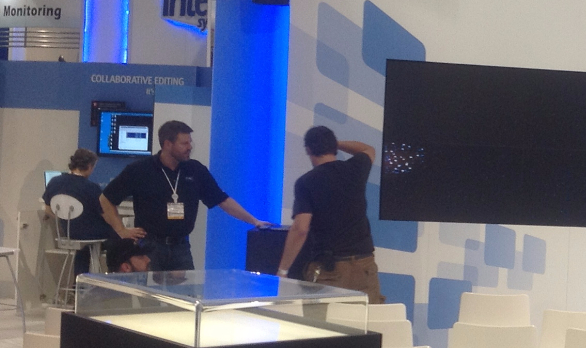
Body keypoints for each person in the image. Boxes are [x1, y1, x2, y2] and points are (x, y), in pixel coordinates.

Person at [102, 120, 268, 271]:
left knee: (186, 292)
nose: (189, 147)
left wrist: (254, 221)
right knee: (150, 292)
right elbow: (105, 199)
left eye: (190, 142)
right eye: (184, 143)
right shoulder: (140, 170)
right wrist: (121, 230)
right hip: (150, 247)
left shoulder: (195, 170)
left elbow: (222, 200)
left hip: (181, 246)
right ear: (167, 144)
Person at [276, 125, 384, 302]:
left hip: (330, 269)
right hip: (365, 264)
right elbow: (368, 149)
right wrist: (335, 144)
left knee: (326, 318)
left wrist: (283, 269)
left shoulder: (306, 182)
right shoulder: (355, 169)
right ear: (333, 147)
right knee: (368, 318)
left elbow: (301, 228)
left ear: (308, 150)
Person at [42, 149, 115, 274]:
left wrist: (64, 218)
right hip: (92, 234)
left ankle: (78, 282)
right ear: (89, 166)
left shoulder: (54, 182)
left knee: (84, 247)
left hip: (70, 233)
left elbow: (48, 210)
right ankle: (111, 280)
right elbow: (107, 216)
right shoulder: (91, 188)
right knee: (119, 238)